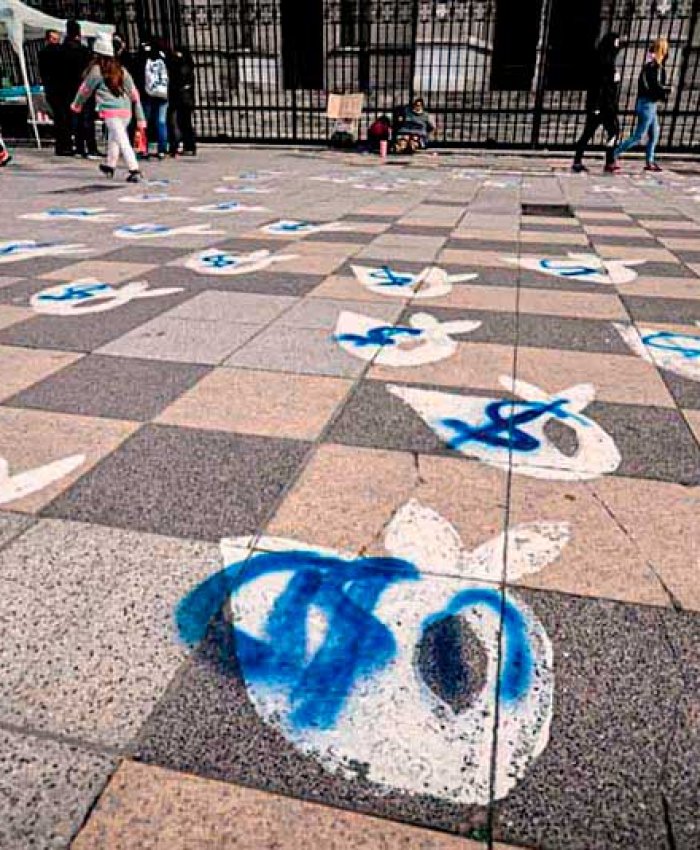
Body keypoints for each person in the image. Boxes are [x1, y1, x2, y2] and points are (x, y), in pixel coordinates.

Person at [71, 33, 146, 182]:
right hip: (126, 110)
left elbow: (85, 89)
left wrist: (76, 104)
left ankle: (134, 169)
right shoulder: (121, 69)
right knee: (114, 137)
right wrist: (140, 116)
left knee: (122, 139)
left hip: (110, 110)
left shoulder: (97, 70)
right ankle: (110, 166)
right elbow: (134, 93)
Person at [613, 37, 671, 173]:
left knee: (654, 134)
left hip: (649, 104)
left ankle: (650, 161)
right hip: (647, 104)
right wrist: (667, 90)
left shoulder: (650, 66)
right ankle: (614, 154)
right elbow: (655, 86)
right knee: (638, 136)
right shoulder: (654, 67)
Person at [572, 32, 622, 174]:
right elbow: (598, 85)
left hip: (606, 104)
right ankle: (581, 161)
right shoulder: (602, 61)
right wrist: (596, 106)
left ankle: (608, 161)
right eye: (616, 42)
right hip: (601, 104)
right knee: (591, 133)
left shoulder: (608, 60)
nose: (618, 45)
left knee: (612, 132)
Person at [61, 19, 97, 158]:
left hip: (68, 88)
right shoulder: (84, 51)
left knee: (75, 118)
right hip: (85, 87)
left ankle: (79, 147)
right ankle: (91, 147)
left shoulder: (62, 50)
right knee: (87, 118)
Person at [134, 38, 170, 159]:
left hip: (147, 94)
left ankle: (142, 148)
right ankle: (162, 150)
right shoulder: (164, 58)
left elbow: (138, 73)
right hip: (163, 93)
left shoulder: (144, 58)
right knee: (161, 122)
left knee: (143, 121)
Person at [38, 29, 70, 155]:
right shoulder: (61, 52)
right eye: (54, 39)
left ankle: (61, 145)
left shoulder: (43, 53)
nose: (56, 41)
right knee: (63, 117)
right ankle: (65, 144)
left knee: (59, 117)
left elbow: (42, 71)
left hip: (52, 88)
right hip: (61, 88)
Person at [167, 46, 196, 156]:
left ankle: (181, 145)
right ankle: (188, 146)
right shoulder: (188, 67)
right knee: (185, 123)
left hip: (180, 98)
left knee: (180, 122)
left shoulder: (180, 66)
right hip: (186, 99)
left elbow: (178, 81)